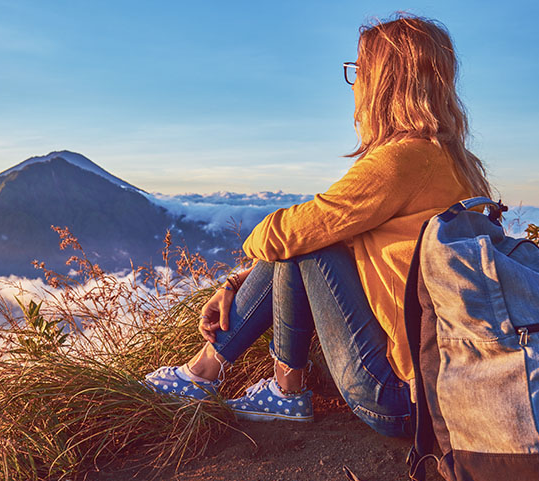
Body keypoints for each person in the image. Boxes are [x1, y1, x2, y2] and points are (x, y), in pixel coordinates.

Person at [144, 14, 491, 437]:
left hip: (401, 400)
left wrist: (250, 251)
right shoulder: (457, 165)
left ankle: (224, 377)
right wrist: (236, 283)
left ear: (383, 81)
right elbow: (341, 242)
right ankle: (246, 383)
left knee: (305, 242)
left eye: (360, 71)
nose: (356, 84)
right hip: (447, 389)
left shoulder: (400, 162)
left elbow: (286, 234)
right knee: (310, 241)